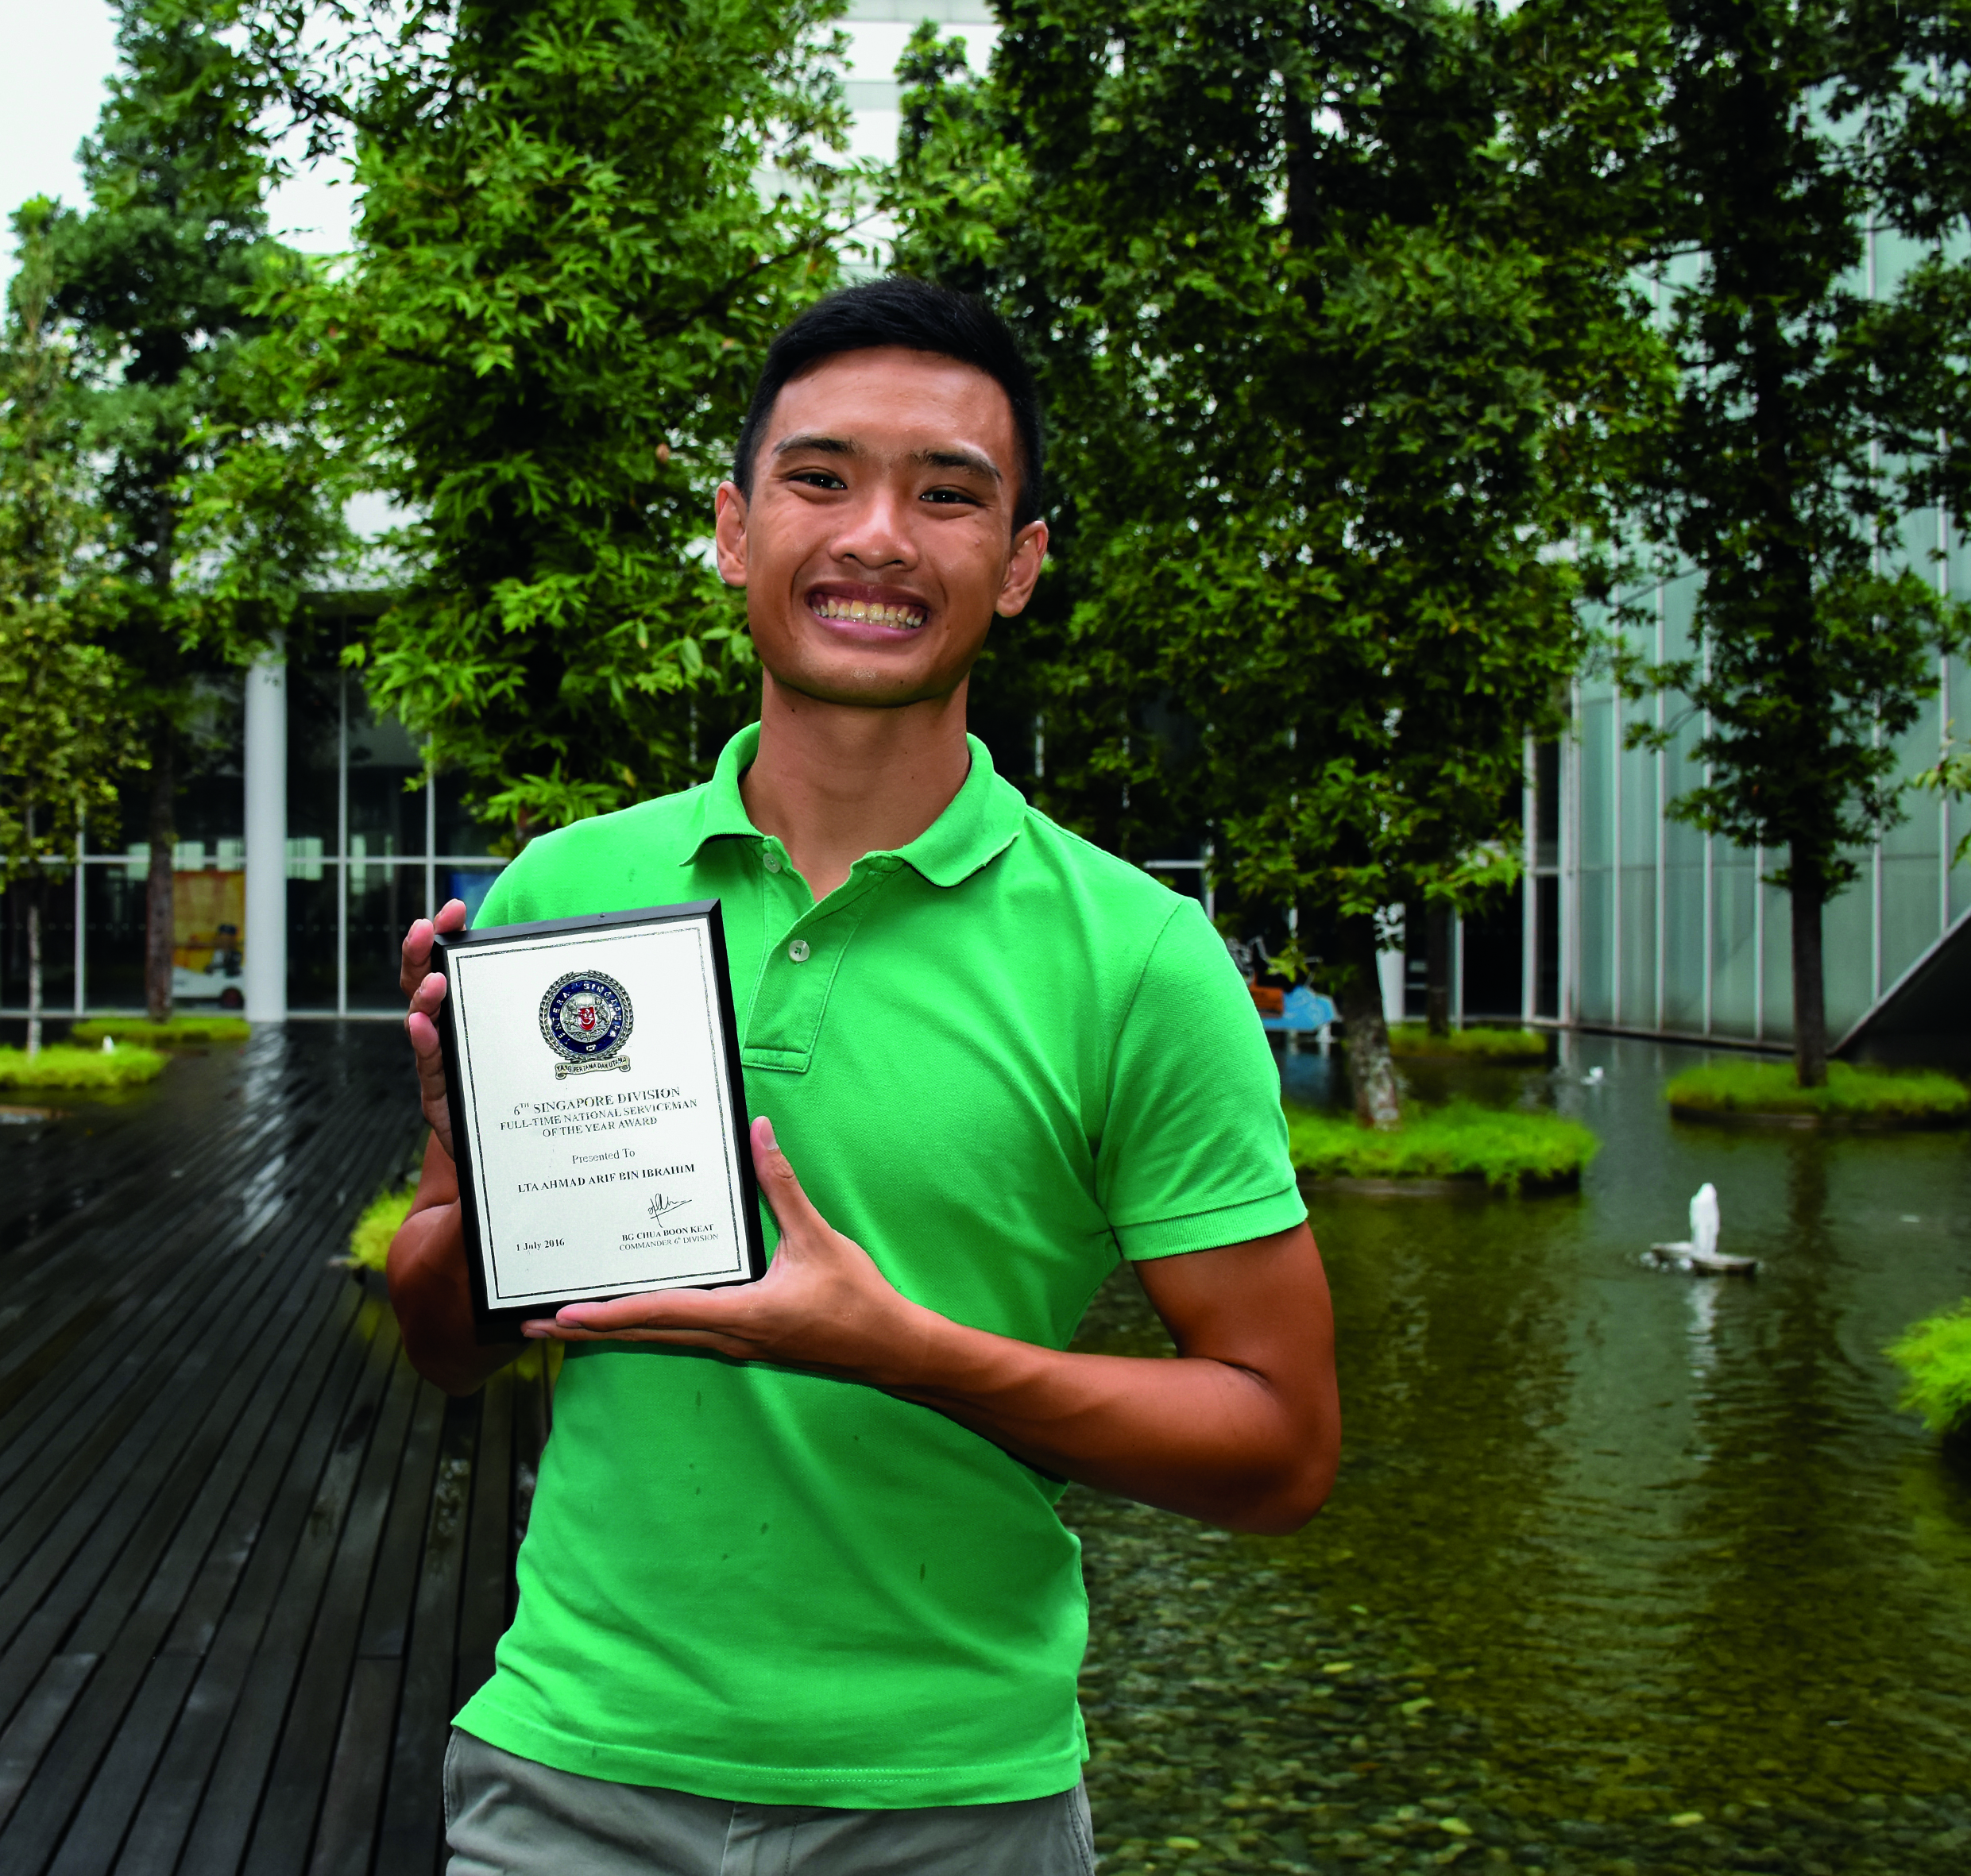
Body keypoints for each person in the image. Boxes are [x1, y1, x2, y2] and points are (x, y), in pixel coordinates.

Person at [390, 277, 1339, 1874]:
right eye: (820, 478)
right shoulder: (565, 899)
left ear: (1021, 562)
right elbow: (443, 1342)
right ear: (733, 529)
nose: (878, 536)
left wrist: (905, 1349)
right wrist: (487, 1201)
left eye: (949, 492)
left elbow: (1278, 1446)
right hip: (568, 1770)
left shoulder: (1139, 958)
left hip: (955, 1801)